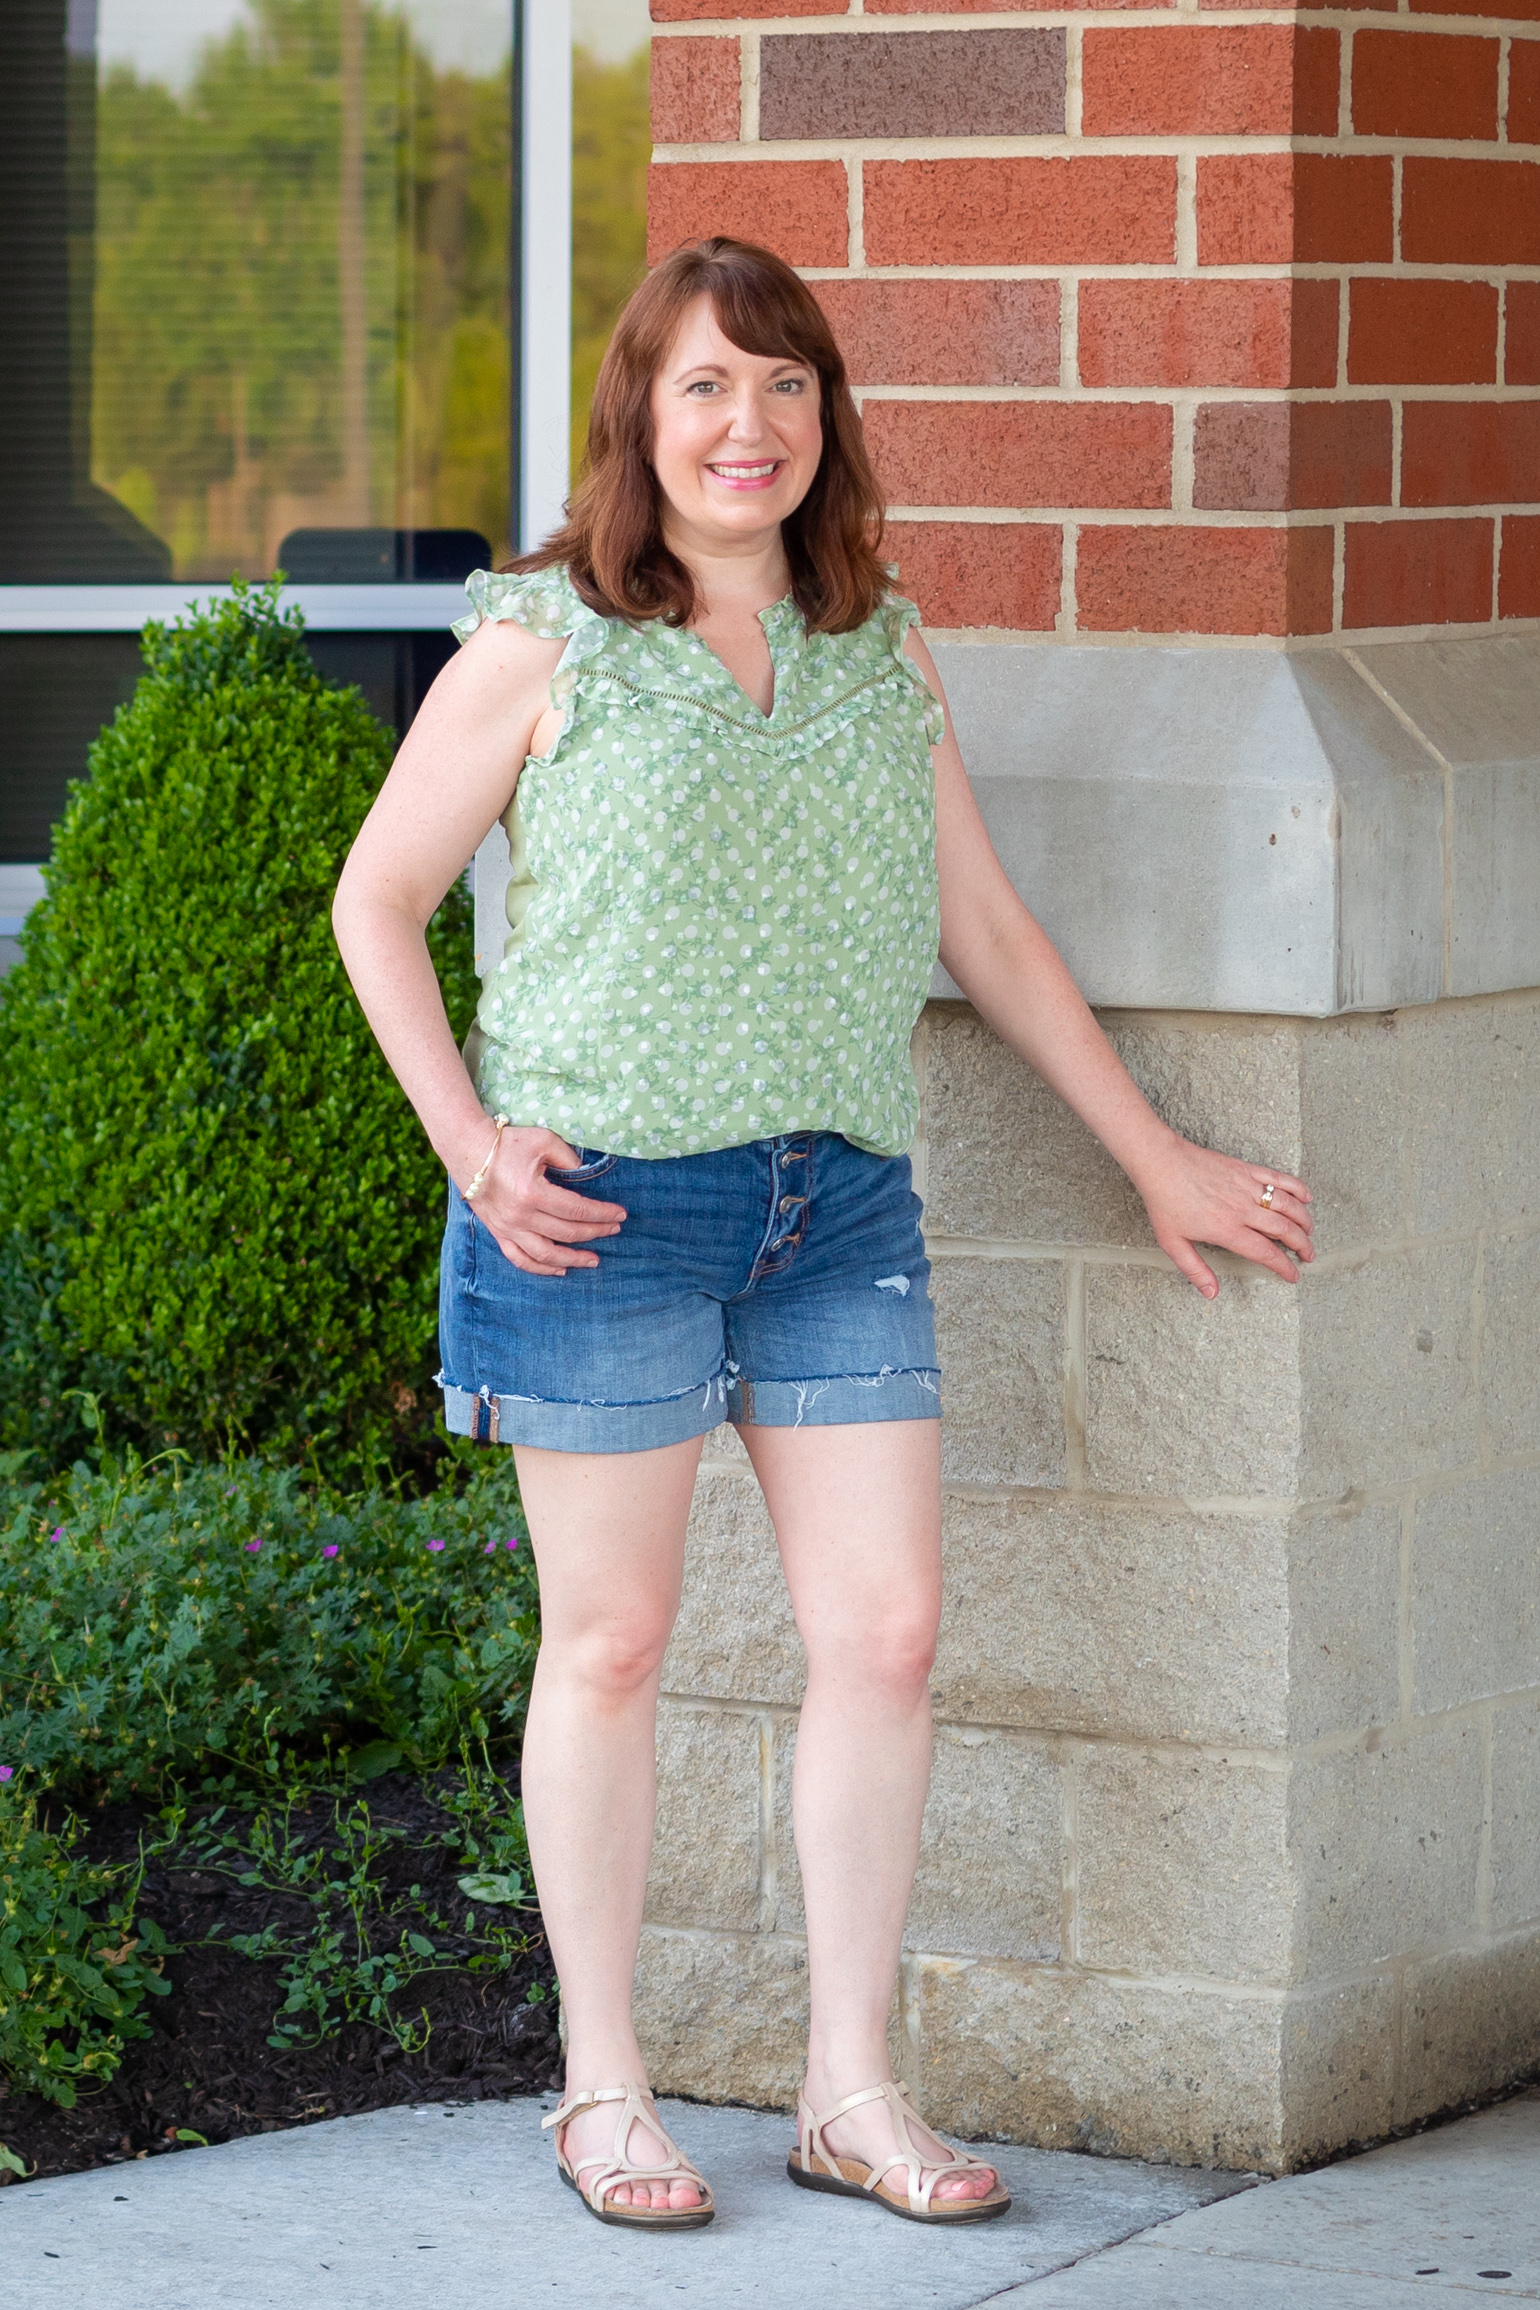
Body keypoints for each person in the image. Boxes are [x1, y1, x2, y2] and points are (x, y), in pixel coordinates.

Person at [332, 237, 1314, 2233]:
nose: (745, 425)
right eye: (705, 386)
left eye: (783, 387)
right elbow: (376, 901)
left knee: (884, 1634)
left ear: (820, 423)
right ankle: (601, 2092)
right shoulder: (542, 639)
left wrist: (1148, 1154)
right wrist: (469, 1146)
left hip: (831, 1198)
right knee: (608, 1645)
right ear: (639, 413)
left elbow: (985, 929)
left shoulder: (879, 640)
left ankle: (848, 2089)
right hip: (595, 1208)